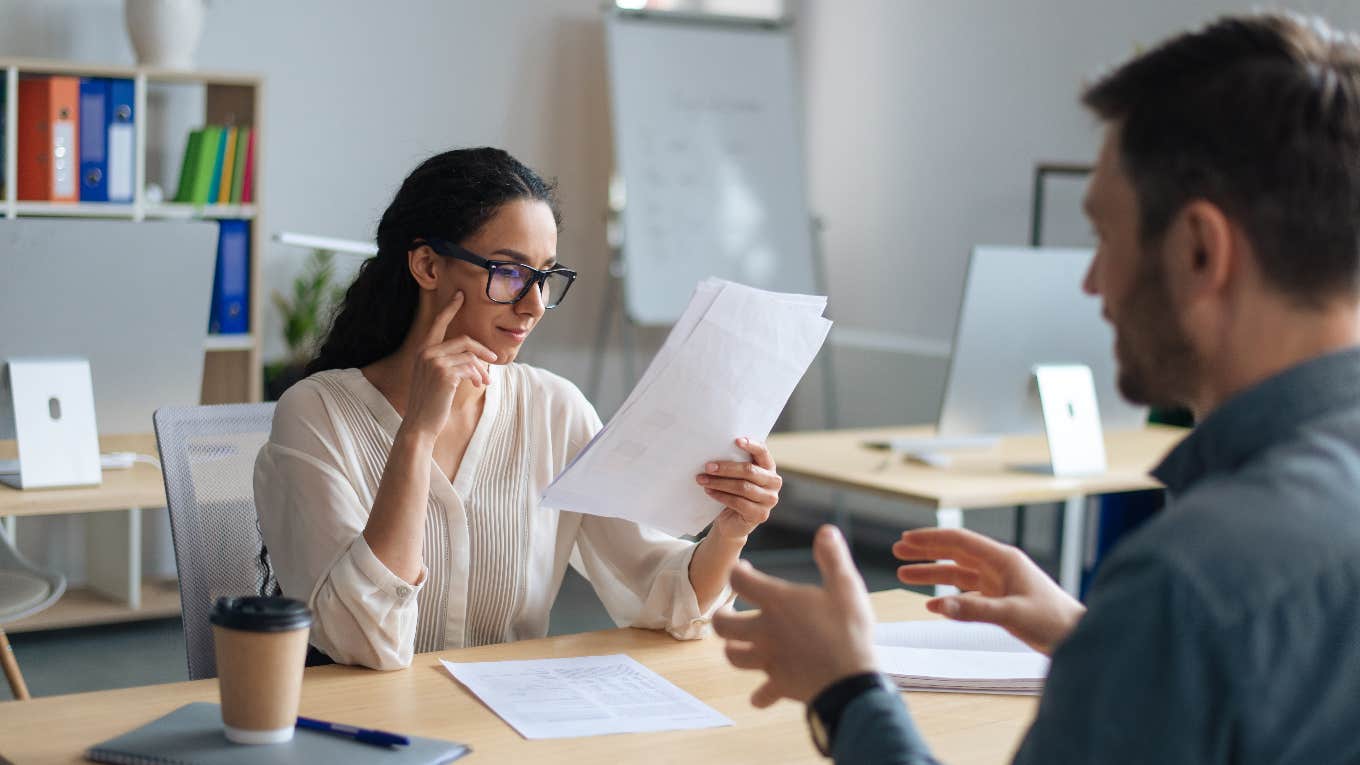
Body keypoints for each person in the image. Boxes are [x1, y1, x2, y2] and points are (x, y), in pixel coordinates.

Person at [713, 12, 1360, 763]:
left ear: (1197, 249)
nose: (1093, 283)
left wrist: (846, 688)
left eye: (1104, 237)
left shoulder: (1188, 583)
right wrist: (1100, 642)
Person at [255, 148, 783, 670]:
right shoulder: (315, 414)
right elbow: (364, 643)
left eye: (545, 276)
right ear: (426, 264)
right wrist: (416, 434)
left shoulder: (554, 408)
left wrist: (731, 529)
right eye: (508, 272)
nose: (532, 305)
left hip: (508, 726)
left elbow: (662, 596)